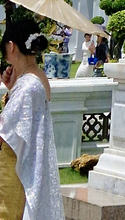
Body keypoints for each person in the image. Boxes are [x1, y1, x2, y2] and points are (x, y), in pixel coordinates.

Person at [0, 18, 65, 220]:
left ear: (11, 46)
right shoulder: (37, 78)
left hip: (15, 163)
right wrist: (12, 88)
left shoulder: (26, 87)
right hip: (27, 161)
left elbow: (4, 131)